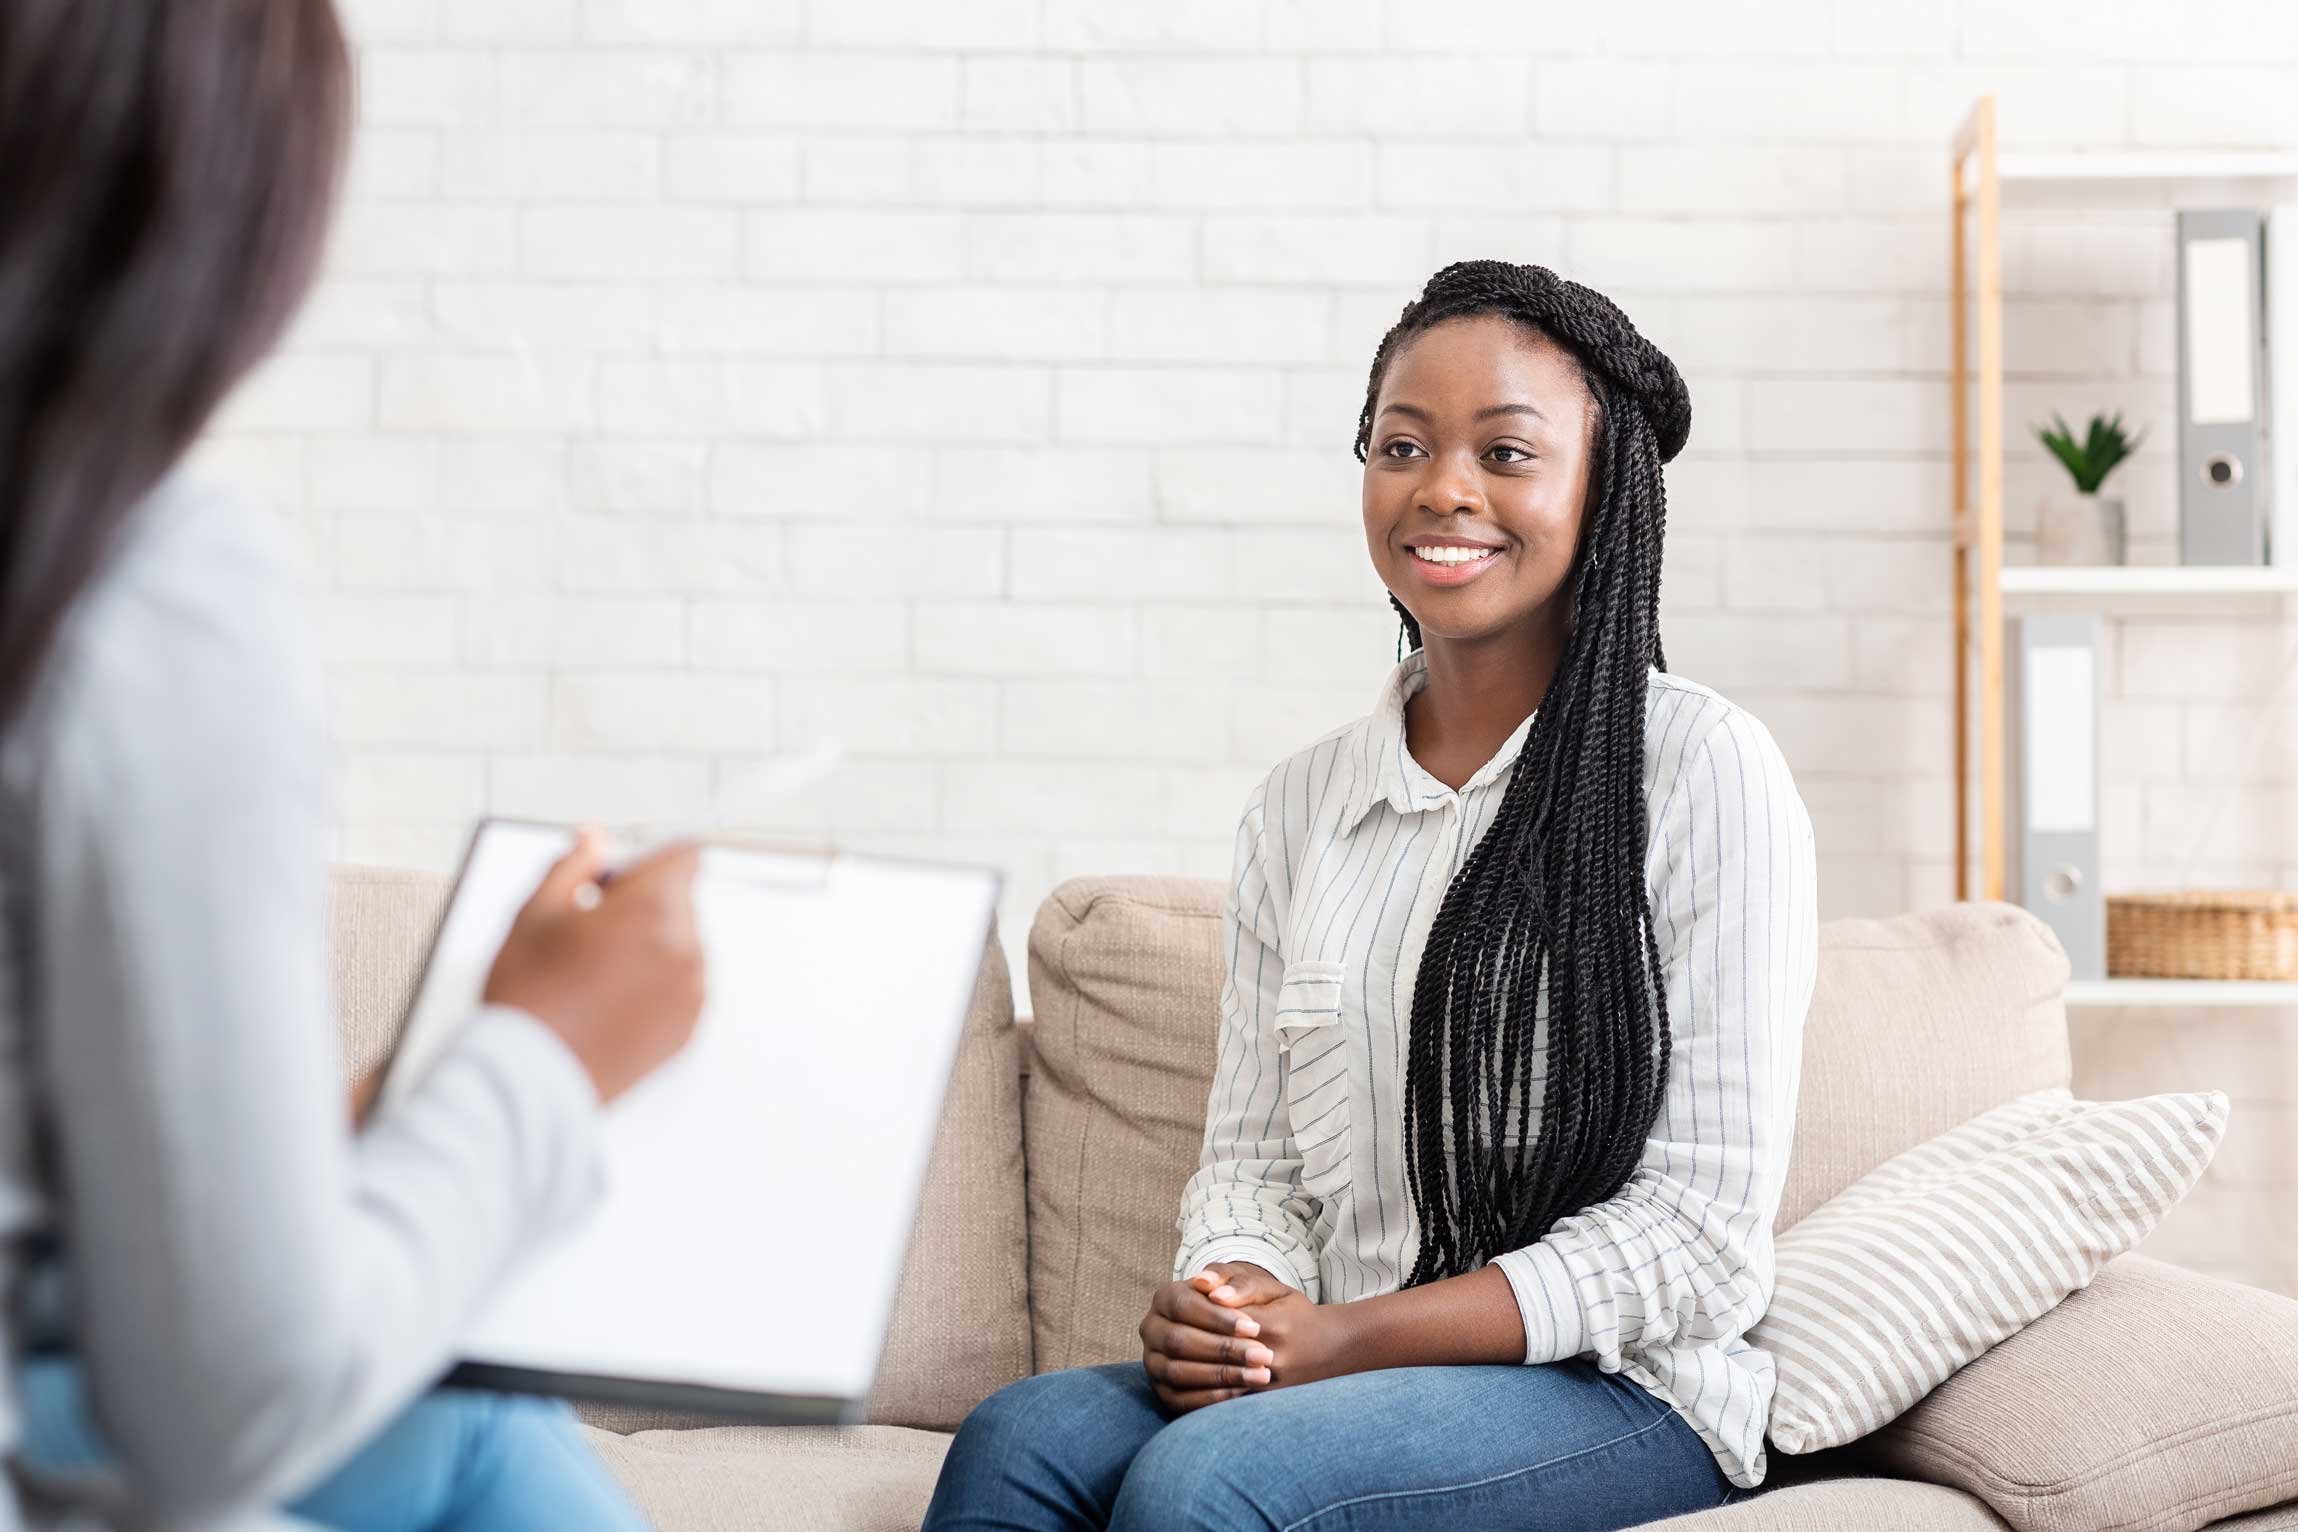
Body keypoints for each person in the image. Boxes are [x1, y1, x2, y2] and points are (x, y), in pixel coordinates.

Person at [924, 261, 1820, 1531]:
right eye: (1403, 444)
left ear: (1604, 489)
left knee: (1210, 1480)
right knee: (1019, 1438)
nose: (1443, 486)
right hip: (1334, 1364)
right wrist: (1235, 1302)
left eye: (1506, 452)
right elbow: (1254, 1161)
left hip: (1618, 1386)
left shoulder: (1699, 771)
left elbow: (1698, 1230)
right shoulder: (1302, 805)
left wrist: (1345, 1338)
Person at [0, 2, 705, 1527]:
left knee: (481, 1437)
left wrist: (320, 1144)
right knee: (484, 1432)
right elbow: (229, 1408)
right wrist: (546, 1062)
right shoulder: (136, 581)